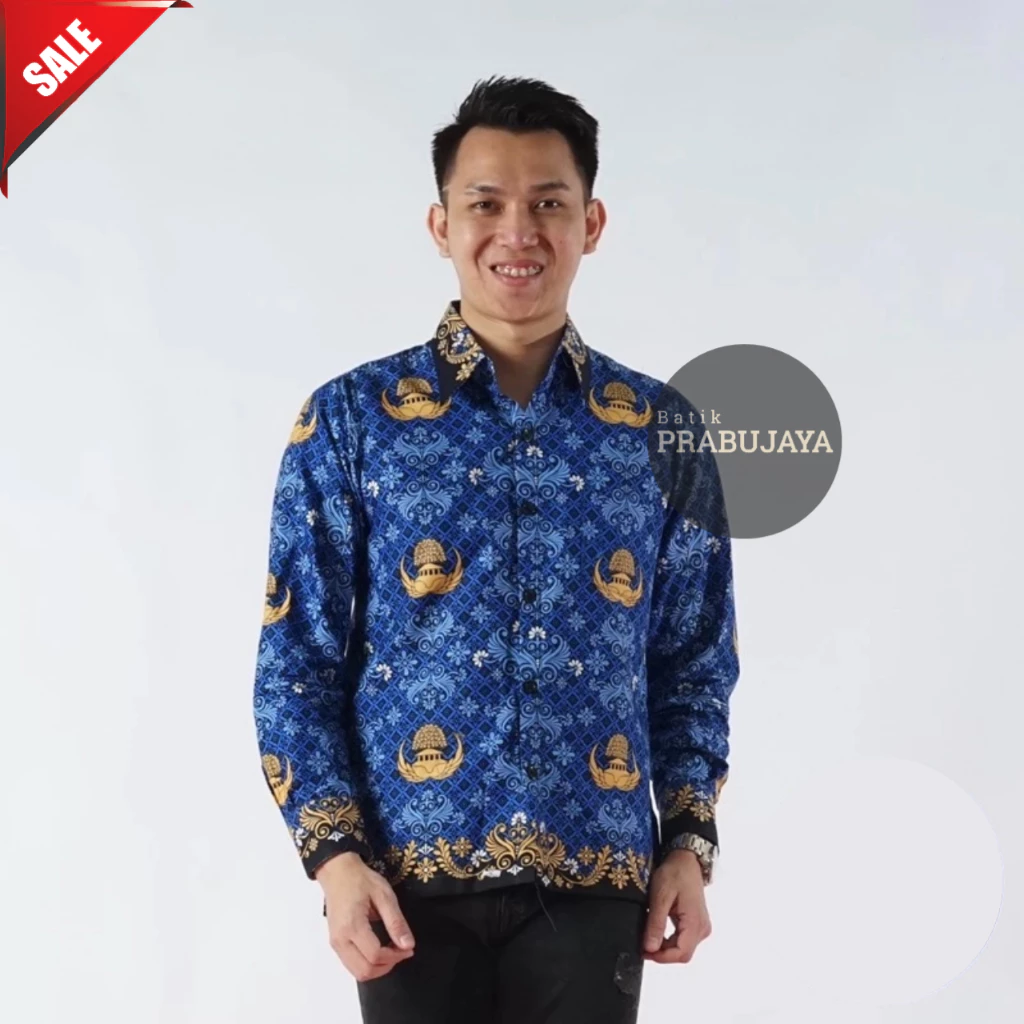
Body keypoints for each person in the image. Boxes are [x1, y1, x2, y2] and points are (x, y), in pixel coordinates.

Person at [252, 75, 740, 1024]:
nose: (518, 231)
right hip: (406, 884)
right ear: (442, 225)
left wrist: (689, 841)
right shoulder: (351, 421)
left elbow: (692, 663)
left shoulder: (659, 431)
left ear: (591, 223)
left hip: (597, 876)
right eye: (486, 204)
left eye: (548, 203)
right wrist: (335, 858)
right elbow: (295, 663)